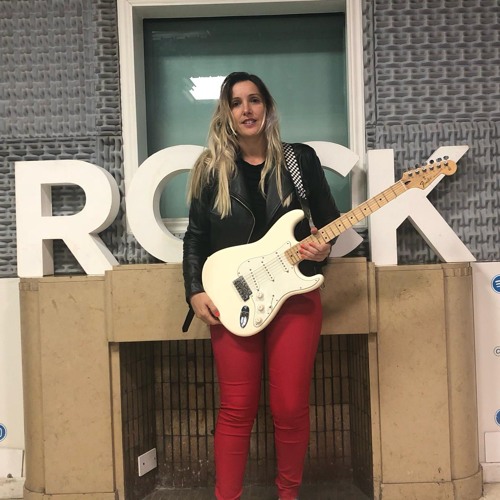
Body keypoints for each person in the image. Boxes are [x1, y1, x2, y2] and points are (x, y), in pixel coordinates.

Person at [183, 72, 340, 500]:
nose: (246, 110)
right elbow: (195, 237)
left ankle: (288, 495)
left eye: (254, 100)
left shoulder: (299, 160)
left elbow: (329, 223)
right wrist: (195, 290)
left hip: (294, 297)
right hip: (232, 297)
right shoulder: (210, 169)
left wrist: (323, 248)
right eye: (236, 103)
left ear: (267, 107)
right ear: (226, 113)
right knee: (236, 410)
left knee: (289, 407)